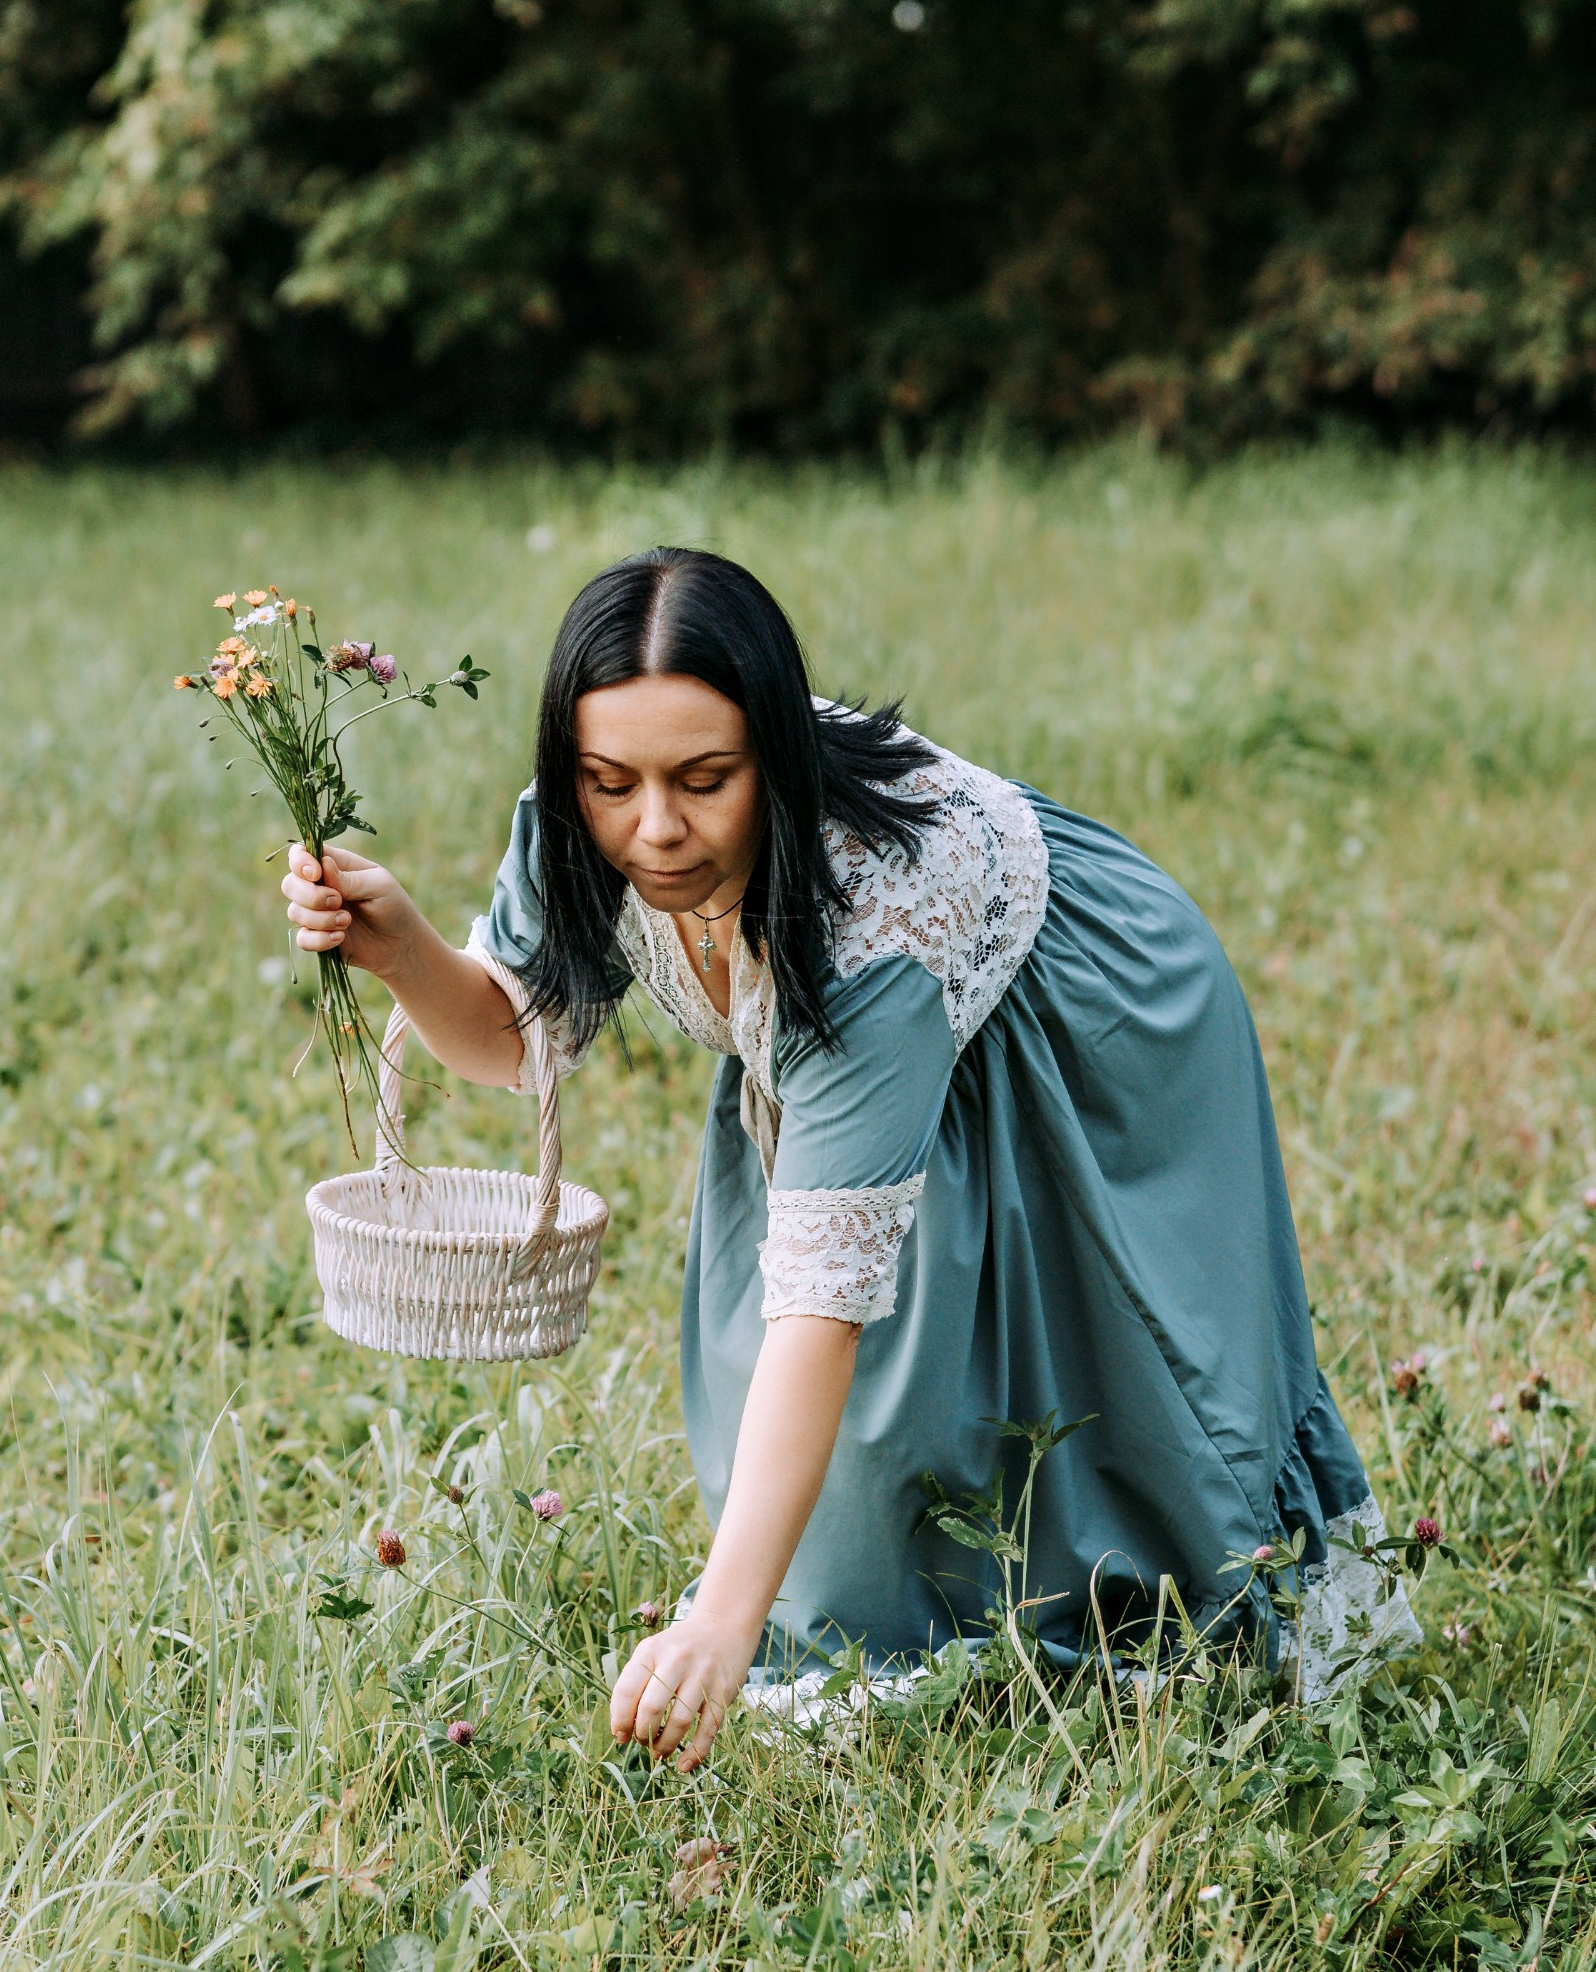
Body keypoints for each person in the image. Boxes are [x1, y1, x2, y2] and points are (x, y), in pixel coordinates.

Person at [282, 548, 1418, 1770]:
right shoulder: (585, 820)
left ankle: (1167, 1611)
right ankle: (931, 1610)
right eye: (612, 780)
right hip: (853, 1026)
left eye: (703, 780)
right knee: (873, 1407)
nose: (654, 828)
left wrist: (721, 1618)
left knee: (1088, 1332)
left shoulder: (866, 927)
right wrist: (400, 946)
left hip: (1098, 1010)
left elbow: (822, 1306)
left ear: (773, 755)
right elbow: (513, 1039)